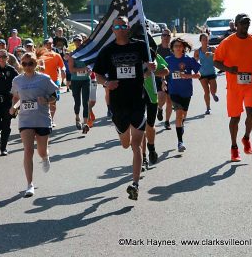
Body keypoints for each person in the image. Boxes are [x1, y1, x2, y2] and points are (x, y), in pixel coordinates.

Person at [93, 16, 156, 200]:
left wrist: (149, 68)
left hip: (137, 100)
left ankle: (135, 184)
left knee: (135, 145)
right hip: (118, 104)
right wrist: (106, 83)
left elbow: (152, 63)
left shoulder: (139, 46)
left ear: (129, 28)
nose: (120, 28)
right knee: (125, 144)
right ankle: (125, 137)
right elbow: (97, 74)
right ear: (113, 29)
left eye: (123, 25)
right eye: (117, 26)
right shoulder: (108, 51)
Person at [213, 13, 252, 162]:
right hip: (234, 86)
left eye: (247, 23)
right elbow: (216, 62)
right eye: (242, 23)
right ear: (236, 25)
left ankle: (246, 138)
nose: (245, 25)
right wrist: (229, 70)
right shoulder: (227, 43)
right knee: (235, 118)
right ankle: (234, 147)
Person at [10, 53, 58, 197]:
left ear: (36, 64)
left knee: (42, 151)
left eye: (30, 63)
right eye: (24, 64)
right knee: (28, 150)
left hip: (42, 118)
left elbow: (55, 96)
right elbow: (16, 97)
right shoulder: (17, 80)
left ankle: (44, 157)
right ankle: (29, 184)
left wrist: (46, 99)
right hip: (26, 120)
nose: (27, 67)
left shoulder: (44, 79)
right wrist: (13, 107)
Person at [166, 38, 201, 152]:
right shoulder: (168, 60)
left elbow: (198, 75)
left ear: (183, 48)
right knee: (179, 115)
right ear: (172, 48)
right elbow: (164, 74)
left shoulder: (189, 60)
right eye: (176, 46)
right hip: (174, 91)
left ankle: (181, 125)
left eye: (180, 46)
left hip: (186, 91)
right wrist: (163, 81)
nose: (178, 48)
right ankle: (180, 142)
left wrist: (187, 76)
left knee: (183, 116)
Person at [38, 38, 66, 127]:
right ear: (44, 45)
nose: (49, 45)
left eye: (50, 44)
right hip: (41, 82)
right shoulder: (39, 56)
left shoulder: (56, 55)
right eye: (47, 44)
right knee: (42, 102)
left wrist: (63, 71)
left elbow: (62, 66)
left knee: (53, 102)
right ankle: (44, 119)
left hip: (54, 81)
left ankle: (51, 120)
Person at [68, 35, 91, 133]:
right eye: (76, 41)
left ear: (83, 41)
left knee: (86, 102)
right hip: (75, 81)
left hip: (86, 80)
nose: (78, 42)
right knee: (77, 102)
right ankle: (77, 117)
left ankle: (85, 123)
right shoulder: (72, 54)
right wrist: (83, 69)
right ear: (74, 42)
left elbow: (91, 65)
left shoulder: (87, 53)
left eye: (79, 40)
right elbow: (71, 70)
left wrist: (90, 70)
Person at [194, 33, 219, 114]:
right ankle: (208, 108)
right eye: (203, 39)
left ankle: (214, 94)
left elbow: (219, 56)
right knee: (206, 91)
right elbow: (194, 62)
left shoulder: (212, 49)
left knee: (213, 89)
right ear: (200, 41)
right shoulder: (198, 51)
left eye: (206, 39)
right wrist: (196, 59)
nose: (205, 41)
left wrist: (212, 54)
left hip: (211, 72)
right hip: (202, 74)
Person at [156, 29, 173, 129]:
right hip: (158, 76)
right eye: (164, 35)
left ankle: (167, 122)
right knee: (161, 97)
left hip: (171, 78)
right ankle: (160, 108)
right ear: (161, 37)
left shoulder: (173, 49)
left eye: (168, 35)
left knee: (170, 101)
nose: (166, 37)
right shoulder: (156, 49)